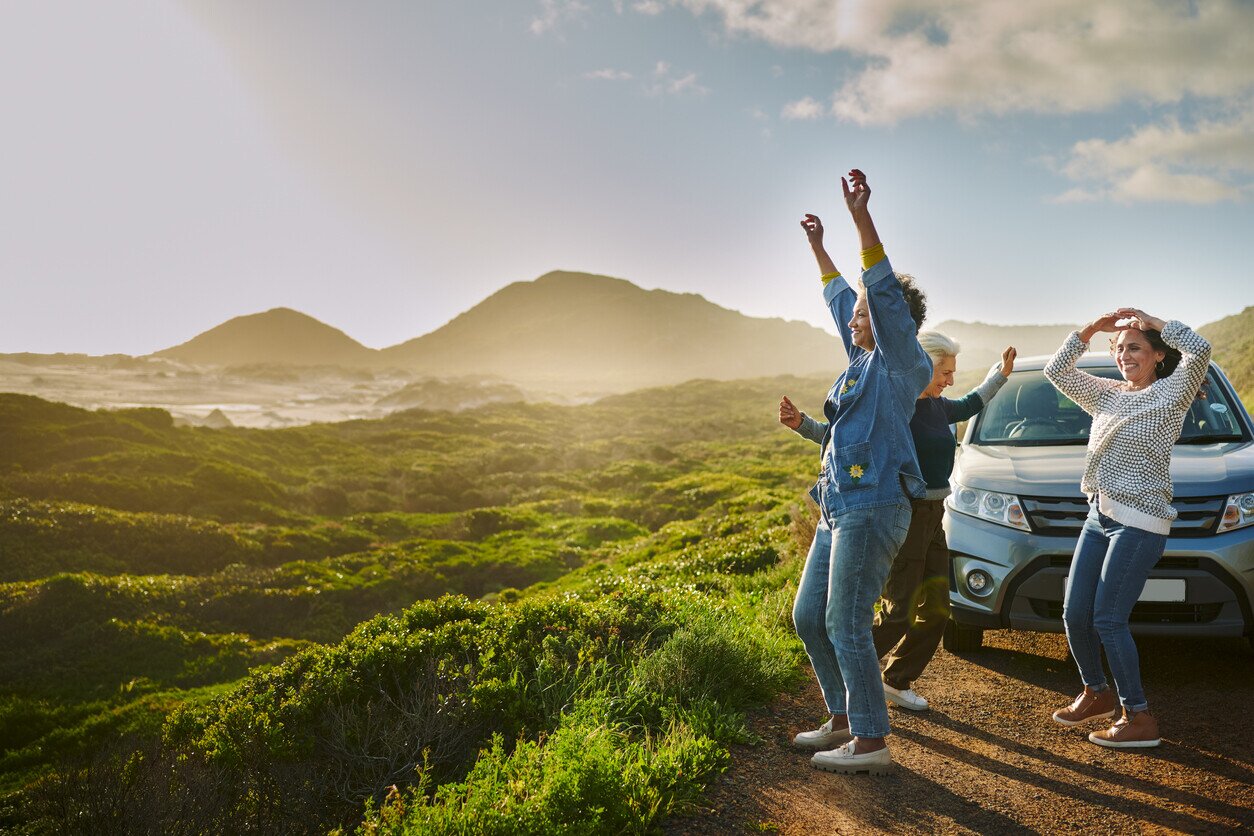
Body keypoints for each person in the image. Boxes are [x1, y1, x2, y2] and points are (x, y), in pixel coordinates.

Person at [778, 169, 932, 775]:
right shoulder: (859, 360)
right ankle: (843, 717)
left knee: (846, 619)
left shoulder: (902, 363)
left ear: (892, 323)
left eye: (865, 314)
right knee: (809, 616)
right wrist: (819, 248)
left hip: (874, 506)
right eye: (857, 314)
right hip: (837, 507)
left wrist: (860, 218)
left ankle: (870, 740)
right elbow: (847, 297)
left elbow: (880, 295)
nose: (854, 319)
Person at [784, 338, 1016, 712]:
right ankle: (846, 676)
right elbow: (845, 437)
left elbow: (972, 402)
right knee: (899, 610)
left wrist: (999, 375)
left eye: (953, 372)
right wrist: (803, 426)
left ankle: (895, 679)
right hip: (905, 515)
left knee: (939, 607)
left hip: (934, 516)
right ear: (923, 367)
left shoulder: (938, 407)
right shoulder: (898, 409)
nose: (951, 380)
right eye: (945, 372)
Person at [1043, 308, 1211, 748]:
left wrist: (1154, 322)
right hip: (1098, 517)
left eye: (1134, 347)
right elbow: (1056, 369)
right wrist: (1092, 331)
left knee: (1108, 619)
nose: (1123, 355)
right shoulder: (1107, 394)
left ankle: (1138, 716)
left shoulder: (1172, 393)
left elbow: (1200, 349)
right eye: (1118, 350)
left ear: (1157, 355)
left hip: (1140, 522)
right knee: (1074, 612)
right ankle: (1095, 691)